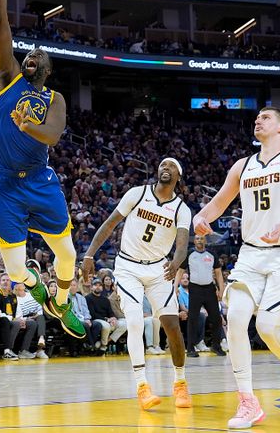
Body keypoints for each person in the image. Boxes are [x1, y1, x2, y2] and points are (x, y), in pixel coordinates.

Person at [0, 0, 84, 341]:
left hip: (40, 180)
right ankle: (38, 288)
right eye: (29, 51)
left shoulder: (54, 97)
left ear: (47, 68)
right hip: (3, 183)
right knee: (17, 272)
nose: (31, 54)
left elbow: (54, 135)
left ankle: (61, 299)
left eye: (39, 54)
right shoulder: (6, 78)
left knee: (69, 253)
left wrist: (27, 127)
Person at [193, 107, 280, 428]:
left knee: (266, 326)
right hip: (252, 253)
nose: (258, 121)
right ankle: (247, 402)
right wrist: (201, 217)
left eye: (266, 117)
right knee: (235, 319)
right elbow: (219, 202)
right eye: (257, 118)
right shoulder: (243, 166)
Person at [82, 158, 193, 410]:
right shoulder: (137, 193)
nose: (165, 168)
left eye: (171, 166)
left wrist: (176, 262)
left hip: (159, 268)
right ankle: (143, 386)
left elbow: (183, 243)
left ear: (178, 175)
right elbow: (110, 223)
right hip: (128, 266)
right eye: (162, 164)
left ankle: (180, 382)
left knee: (172, 326)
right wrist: (89, 255)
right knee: (134, 321)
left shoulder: (181, 209)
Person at [182, 235, 226, 357]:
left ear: (205, 240)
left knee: (216, 318)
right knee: (193, 319)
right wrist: (175, 287)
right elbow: (181, 270)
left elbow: (218, 273)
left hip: (210, 289)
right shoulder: (189, 254)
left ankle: (216, 346)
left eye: (201, 238)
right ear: (194, 241)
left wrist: (221, 289)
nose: (199, 240)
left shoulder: (211, 254)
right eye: (197, 238)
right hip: (195, 288)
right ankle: (190, 348)